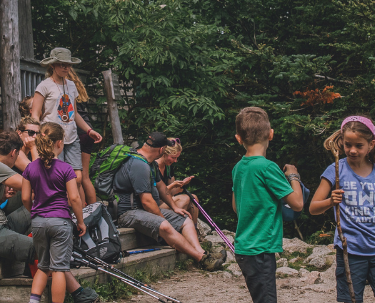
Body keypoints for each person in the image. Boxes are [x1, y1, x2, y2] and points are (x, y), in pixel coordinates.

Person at [0, 132, 99, 303]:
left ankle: (48, 238)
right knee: (49, 250)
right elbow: (38, 182)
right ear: (13, 153)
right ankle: (78, 293)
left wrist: (3, 194)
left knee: (37, 205)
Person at [307, 116, 375, 303]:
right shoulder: (336, 170)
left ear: (371, 144)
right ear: (341, 142)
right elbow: (313, 208)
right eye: (348, 144)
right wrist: (331, 201)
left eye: (359, 145)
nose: (352, 150)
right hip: (350, 250)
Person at [114, 132, 225, 271]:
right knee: (166, 226)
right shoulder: (138, 164)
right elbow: (147, 202)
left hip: (144, 211)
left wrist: (174, 207)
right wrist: (163, 220)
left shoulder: (149, 163)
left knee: (185, 219)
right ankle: (201, 259)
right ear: (161, 150)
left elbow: (162, 188)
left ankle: (202, 252)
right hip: (129, 213)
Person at [228, 107, 305, 303]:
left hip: (245, 248)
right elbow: (297, 204)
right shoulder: (267, 167)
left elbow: (237, 208)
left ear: (239, 138)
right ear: (271, 134)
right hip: (260, 248)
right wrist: (293, 175)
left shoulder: (238, 167)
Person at [28, 48, 104, 205]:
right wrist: (36, 133)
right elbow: (35, 113)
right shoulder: (44, 86)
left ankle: (72, 208)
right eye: (62, 65)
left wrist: (89, 130)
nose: (66, 68)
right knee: (57, 176)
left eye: (68, 65)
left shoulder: (71, 85)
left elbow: (74, 113)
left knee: (78, 177)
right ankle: (60, 208)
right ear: (53, 65)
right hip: (52, 138)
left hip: (71, 136)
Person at [22, 122, 86, 303]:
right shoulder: (66, 169)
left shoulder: (30, 168)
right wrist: (80, 221)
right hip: (60, 221)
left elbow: (26, 198)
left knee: (43, 266)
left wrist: (34, 212)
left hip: (39, 222)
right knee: (59, 268)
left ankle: (34, 301)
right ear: (59, 143)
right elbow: (74, 198)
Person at [154, 138, 197, 214]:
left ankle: (194, 225)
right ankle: (176, 223)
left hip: (165, 201)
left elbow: (171, 192)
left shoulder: (168, 167)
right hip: (154, 204)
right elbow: (155, 194)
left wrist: (180, 185)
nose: (175, 161)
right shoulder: (153, 167)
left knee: (194, 198)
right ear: (164, 153)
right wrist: (173, 185)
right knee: (184, 199)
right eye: (173, 157)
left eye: (177, 158)